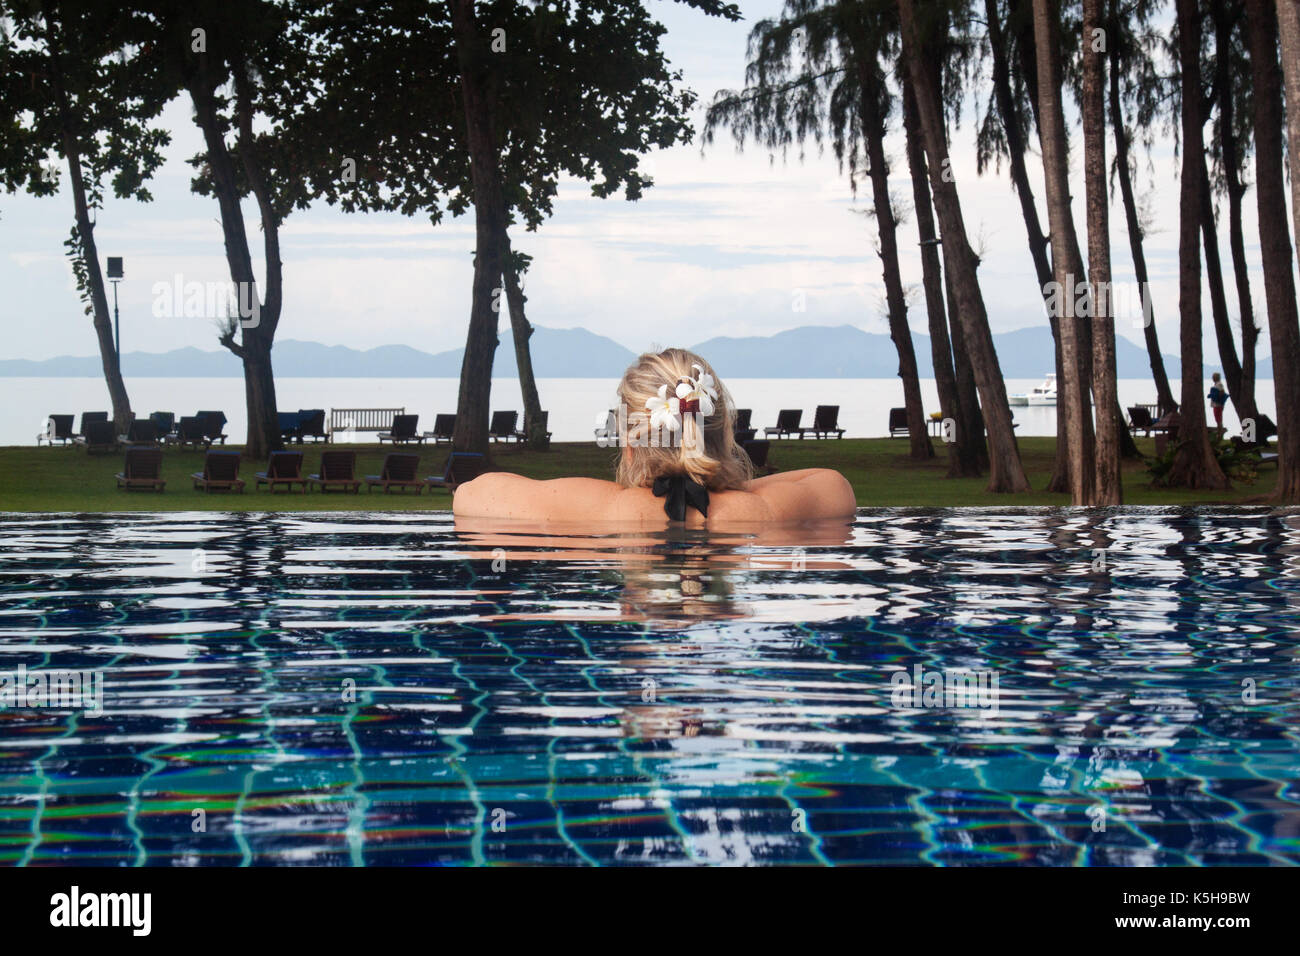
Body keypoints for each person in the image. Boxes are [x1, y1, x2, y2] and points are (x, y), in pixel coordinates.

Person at [452, 348, 856, 526]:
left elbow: (470, 493)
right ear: (723, 432)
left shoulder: (602, 510)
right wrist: (722, 480)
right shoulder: (763, 511)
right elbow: (833, 482)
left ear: (629, 440)